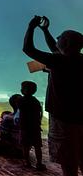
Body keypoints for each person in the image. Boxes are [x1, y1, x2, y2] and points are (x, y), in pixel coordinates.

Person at [23, 16, 83, 176]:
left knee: (68, 164)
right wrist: (45, 30)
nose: (58, 38)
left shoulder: (58, 60)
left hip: (63, 120)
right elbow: (57, 49)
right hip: (80, 117)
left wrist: (31, 27)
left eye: (61, 37)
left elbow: (28, 49)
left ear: (67, 43)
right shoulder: (78, 60)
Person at [17, 81, 45, 170]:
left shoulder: (21, 100)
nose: (21, 89)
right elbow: (39, 113)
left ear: (24, 90)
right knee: (37, 147)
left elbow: (19, 107)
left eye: (22, 88)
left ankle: (27, 162)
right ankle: (39, 163)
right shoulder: (36, 101)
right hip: (35, 127)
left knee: (25, 146)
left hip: (24, 127)